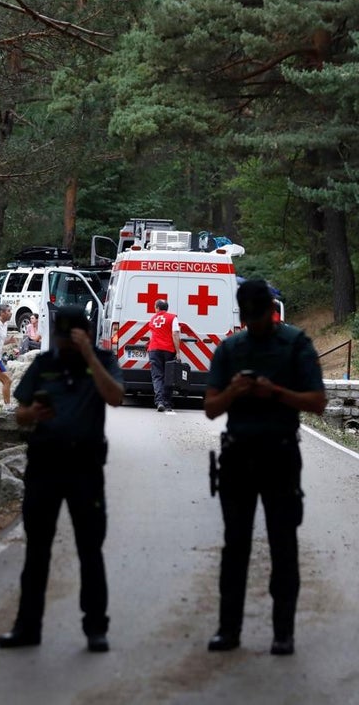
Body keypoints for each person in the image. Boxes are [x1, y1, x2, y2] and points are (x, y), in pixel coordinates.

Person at [203, 279, 326, 656]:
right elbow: (211, 408)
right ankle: (228, 630)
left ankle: (283, 633)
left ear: (271, 311)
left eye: (260, 315)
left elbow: (318, 402)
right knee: (235, 546)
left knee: (283, 545)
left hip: (280, 455)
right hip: (238, 457)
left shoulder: (295, 344)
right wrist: (233, 393)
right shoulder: (230, 350)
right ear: (243, 314)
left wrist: (275, 393)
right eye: (249, 316)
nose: (255, 323)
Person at [0, 306, 125, 653]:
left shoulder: (101, 359)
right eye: (62, 336)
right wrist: (31, 413)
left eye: (72, 336)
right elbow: (20, 414)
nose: (65, 342)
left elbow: (115, 396)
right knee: (37, 550)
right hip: (45, 466)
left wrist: (88, 355)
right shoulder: (44, 364)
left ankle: (96, 628)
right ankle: (27, 627)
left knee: (89, 550)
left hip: (85, 468)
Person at [147, 299, 181, 412]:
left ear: (157, 308)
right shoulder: (172, 318)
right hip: (168, 350)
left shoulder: (153, 319)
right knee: (169, 377)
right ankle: (167, 403)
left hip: (154, 349)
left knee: (157, 376)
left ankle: (159, 401)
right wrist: (178, 352)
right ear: (167, 308)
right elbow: (175, 333)